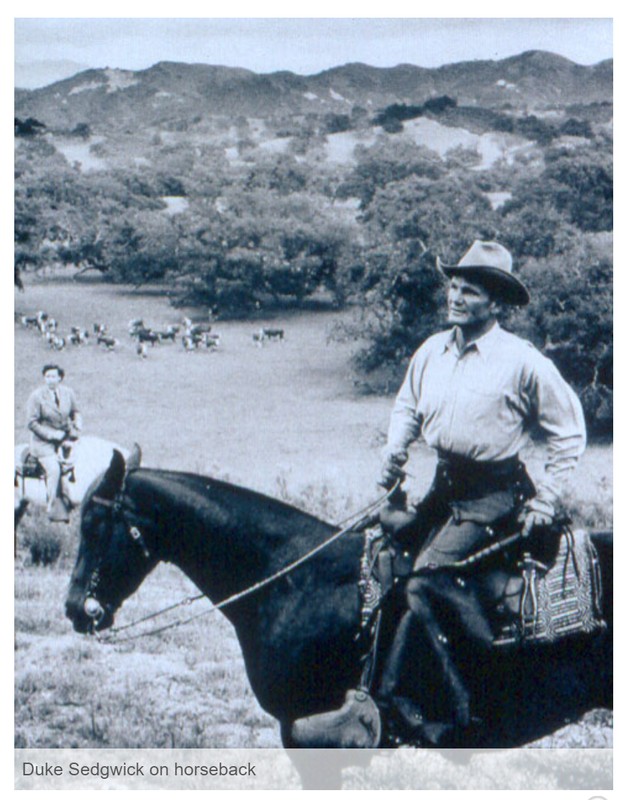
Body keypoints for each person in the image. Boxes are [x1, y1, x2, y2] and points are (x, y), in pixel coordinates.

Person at [292, 240, 586, 748]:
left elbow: (570, 431)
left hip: (496, 496)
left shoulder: (522, 362)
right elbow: (407, 405)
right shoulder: (432, 349)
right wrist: (395, 451)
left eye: (469, 290)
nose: (455, 296)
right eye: (453, 285)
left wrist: (545, 500)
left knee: (425, 581)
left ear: (495, 304)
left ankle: (420, 710)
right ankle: (361, 691)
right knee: (383, 561)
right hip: (443, 488)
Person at [26, 364, 82, 522]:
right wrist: (51, 435)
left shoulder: (68, 393)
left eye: (53, 376)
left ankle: (76, 498)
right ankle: (53, 507)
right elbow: (32, 423)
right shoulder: (36, 396)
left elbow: (75, 412)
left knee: (83, 457)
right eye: (47, 376)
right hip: (43, 443)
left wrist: (78, 424)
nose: (50, 380)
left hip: (66, 437)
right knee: (54, 469)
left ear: (60, 378)